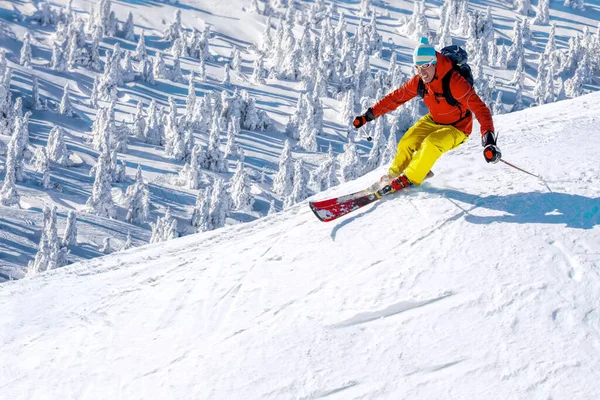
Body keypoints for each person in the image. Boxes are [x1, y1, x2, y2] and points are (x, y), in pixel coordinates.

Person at [353, 37, 501, 192]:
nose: (422, 72)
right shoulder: (420, 81)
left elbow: (481, 110)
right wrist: (368, 115)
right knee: (407, 141)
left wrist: (489, 140)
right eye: (418, 67)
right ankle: (393, 175)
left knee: (431, 143)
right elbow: (396, 98)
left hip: (458, 127)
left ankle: (409, 178)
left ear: (435, 62)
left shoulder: (455, 83)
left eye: (426, 66)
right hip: (434, 120)